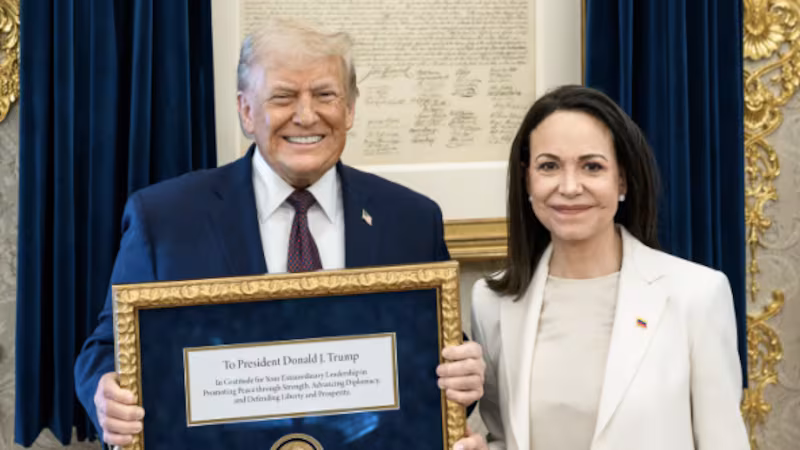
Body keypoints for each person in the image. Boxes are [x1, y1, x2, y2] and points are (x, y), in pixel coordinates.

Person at [74, 20, 485, 449]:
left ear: (350, 109)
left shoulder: (411, 219)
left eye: (325, 95)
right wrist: (106, 393)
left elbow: (436, 358)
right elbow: (105, 348)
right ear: (247, 111)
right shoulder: (164, 219)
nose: (306, 115)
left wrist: (464, 373)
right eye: (283, 96)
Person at [471, 85, 748, 450]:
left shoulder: (697, 294)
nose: (569, 187)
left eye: (592, 166)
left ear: (622, 180)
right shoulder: (492, 299)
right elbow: (504, 437)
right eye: (549, 166)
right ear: (527, 179)